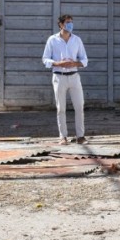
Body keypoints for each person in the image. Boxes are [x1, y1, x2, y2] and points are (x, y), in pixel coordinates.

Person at [42, 14, 88, 145]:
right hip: (59, 76)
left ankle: (80, 136)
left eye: (71, 22)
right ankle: (63, 136)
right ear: (61, 24)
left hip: (74, 76)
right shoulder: (52, 40)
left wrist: (76, 63)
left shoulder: (77, 40)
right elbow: (45, 59)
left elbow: (85, 59)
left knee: (79, 106)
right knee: (60, 108)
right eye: (68, 22)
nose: (70, 25)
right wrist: (58, 63)